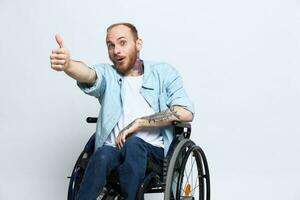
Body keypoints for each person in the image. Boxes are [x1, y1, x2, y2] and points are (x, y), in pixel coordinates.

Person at [50, 22, 194, 200]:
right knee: (102, 154)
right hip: (113, 152)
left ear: (138, 44)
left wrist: (139, 123)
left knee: (133, 144)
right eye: (111, 45)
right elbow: (89, 75)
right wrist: (69, 65)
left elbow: (185, 111)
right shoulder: (108, 75)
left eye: (122, 43)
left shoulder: (163, 73)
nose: (116, 50)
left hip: (152, 154)